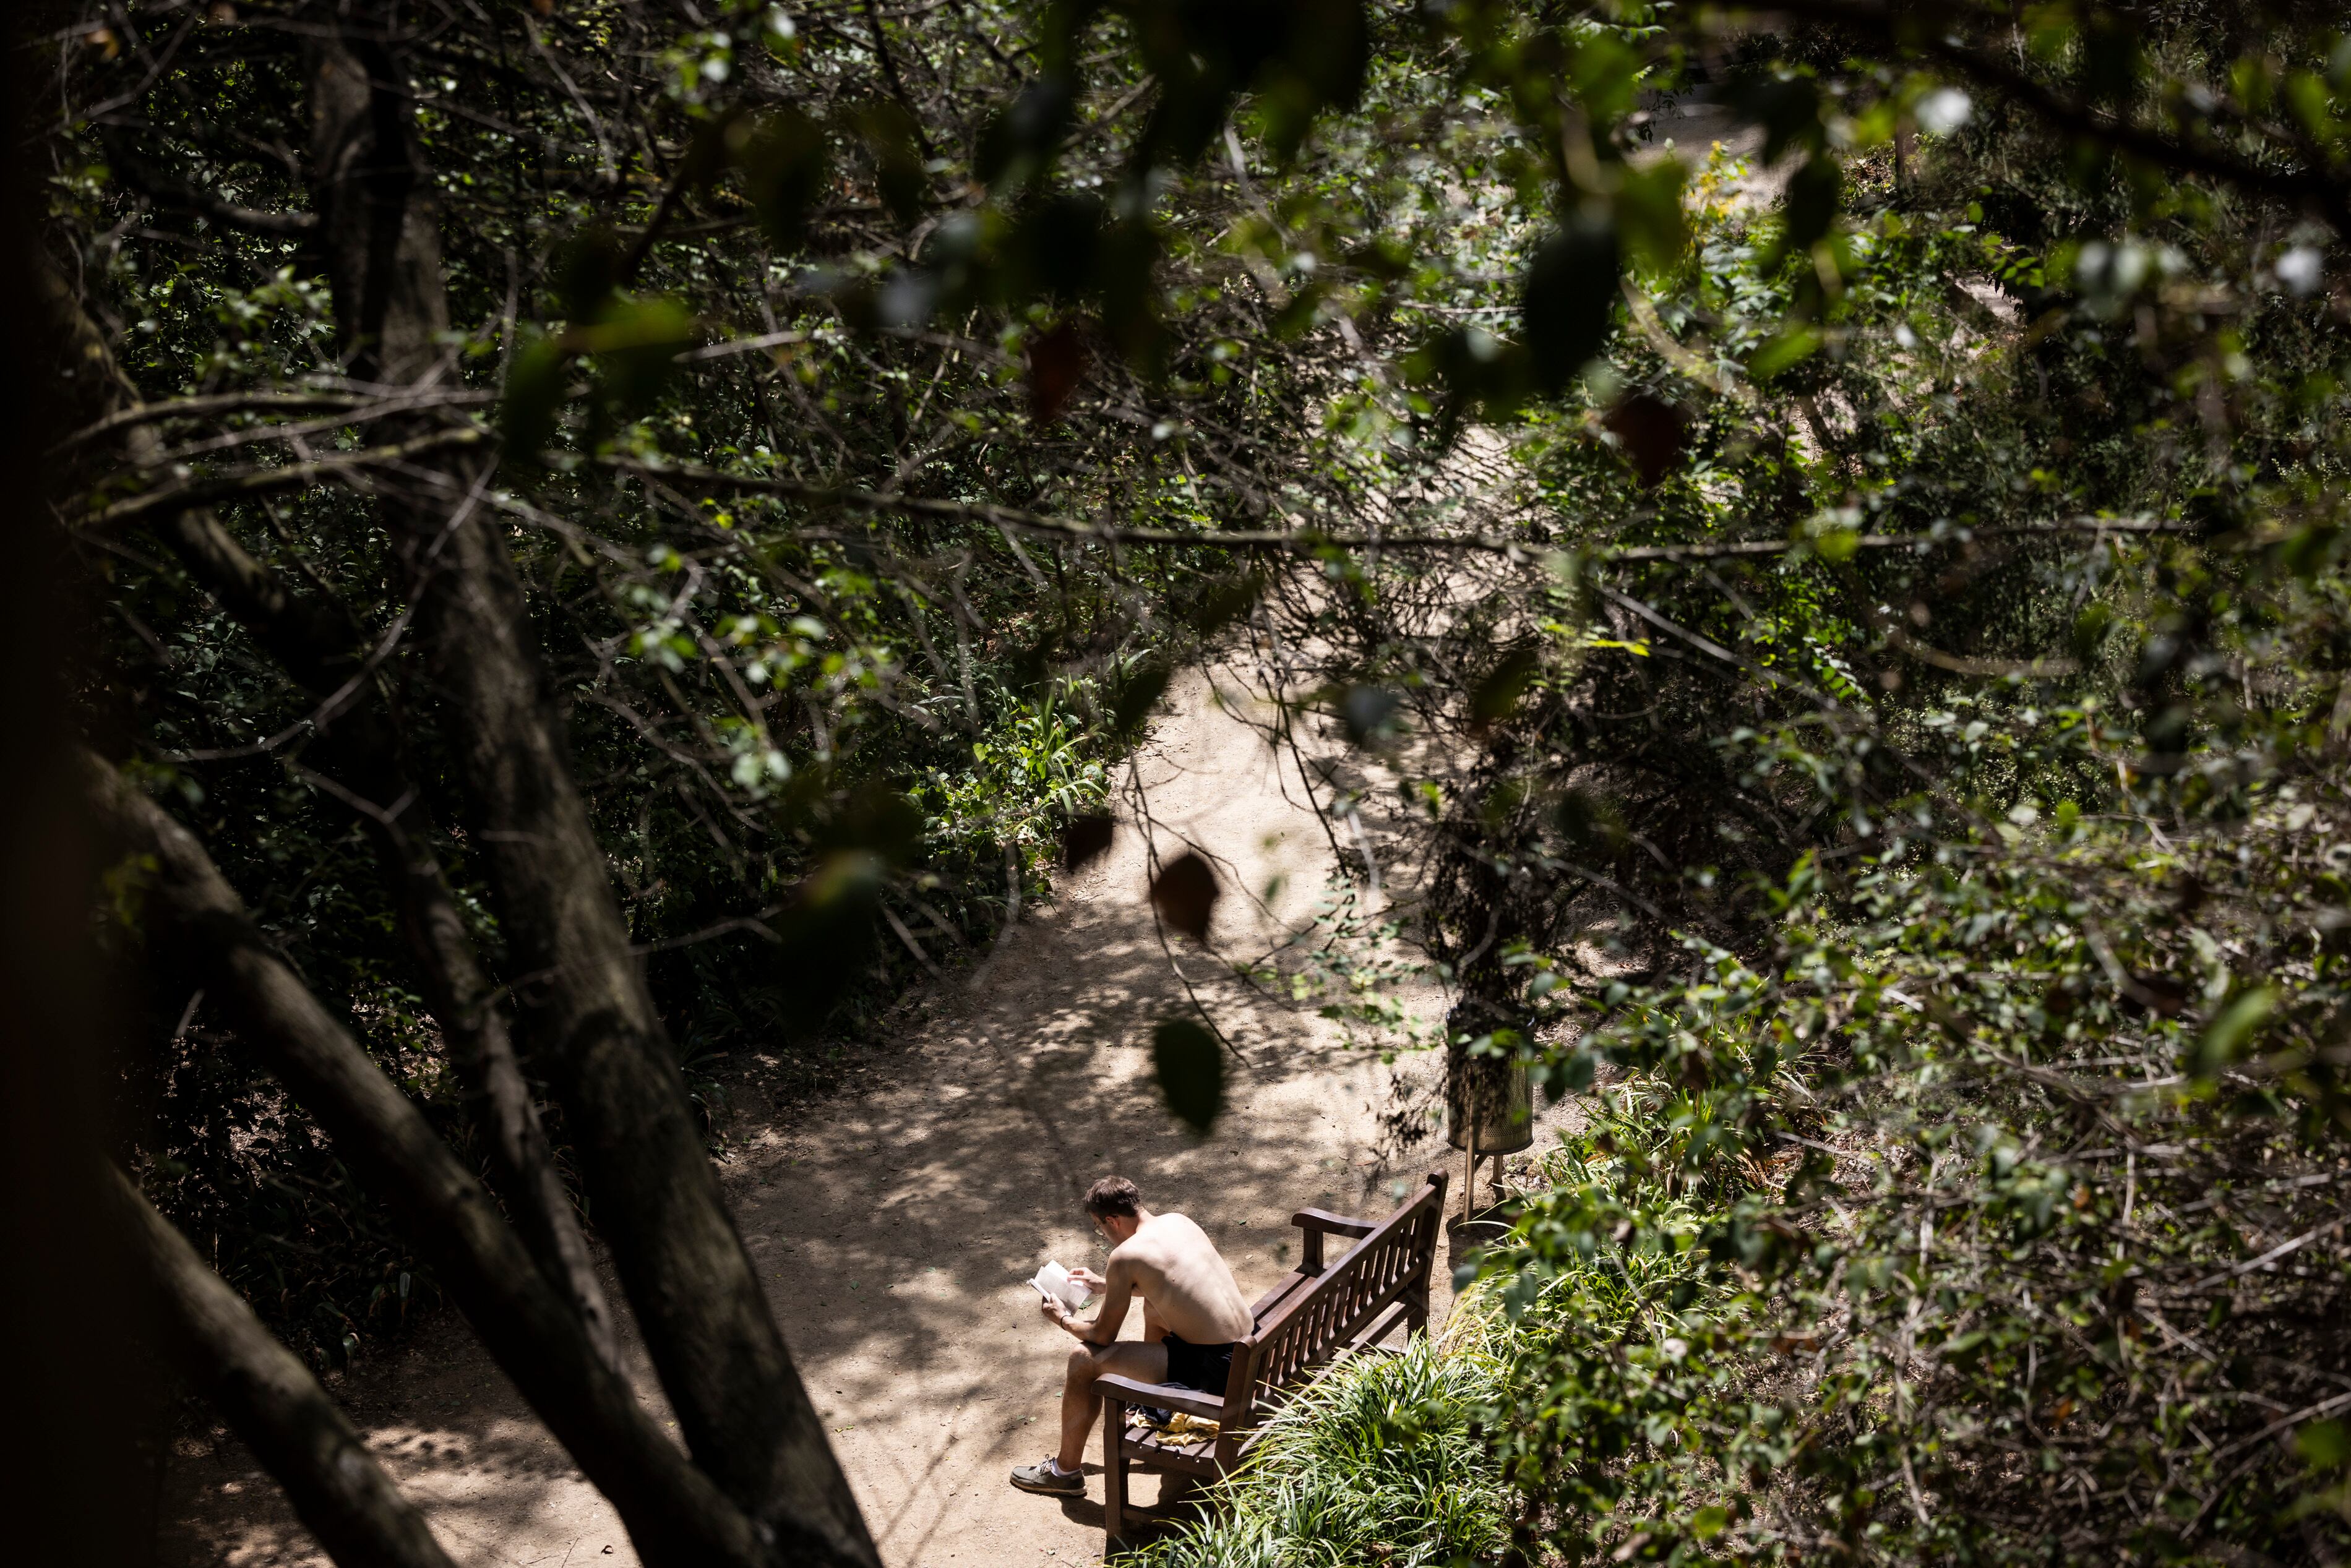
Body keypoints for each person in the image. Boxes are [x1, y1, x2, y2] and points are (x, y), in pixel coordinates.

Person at [1008, 1175, 1253, 1497]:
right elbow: (1173, 1281)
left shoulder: (1125, 1256)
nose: (1104, 1234)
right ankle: (1154, 1400)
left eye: (1100, 1226)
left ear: (1112, 1219)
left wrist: (1064, 1319)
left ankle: (1064, 1472)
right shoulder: (1178, 1221)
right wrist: (1107, 1285)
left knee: (1083, 1359)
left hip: (1218, 1374)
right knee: (1154, 1306)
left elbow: (1102, 1335)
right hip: (1251, 1350)